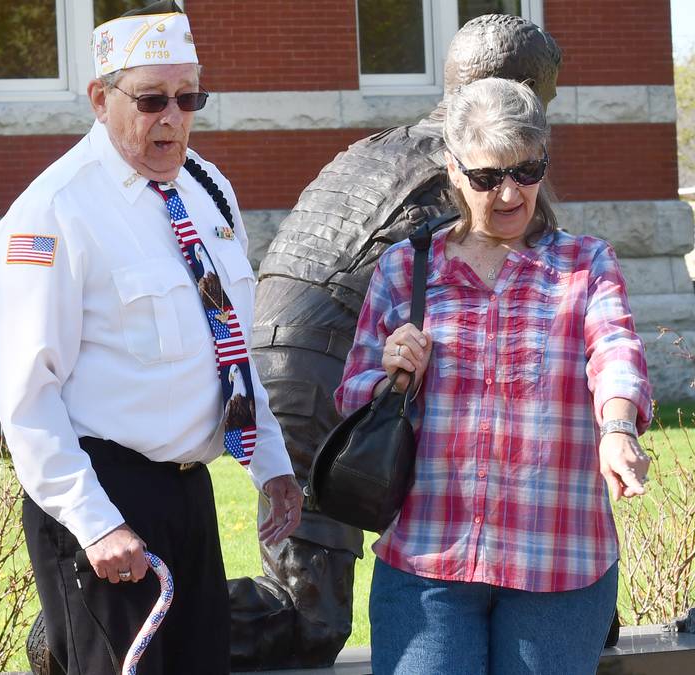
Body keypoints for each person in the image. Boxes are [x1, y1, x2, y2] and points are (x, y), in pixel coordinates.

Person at [230, 14, 563, 670]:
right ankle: (114, 626)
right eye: (540, 108)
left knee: (308, 610)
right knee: (310, 618)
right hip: (328, 377)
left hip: (267, 364)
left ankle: (112, 625)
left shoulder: (376, 148)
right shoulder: (485, 175)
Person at [0, 2, 302, 673]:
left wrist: (269, 461)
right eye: (153, 99)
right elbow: (27, 396)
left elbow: (229, 346)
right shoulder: (52, 211)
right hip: (104, 497)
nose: (175, 118)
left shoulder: (208, 189)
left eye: (190, 98)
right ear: (101, 99)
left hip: (190, 495)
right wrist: (95, 520)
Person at [335, 77, 653, 675]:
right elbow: (354, 396)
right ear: (453, 171)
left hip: (558, 562)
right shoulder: (406, 268)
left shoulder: (586, 264)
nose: (509, 193)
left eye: (526, 172)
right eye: (486, 178)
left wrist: (617, 429)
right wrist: (392, 373)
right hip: (427, 563)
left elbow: (615, 349)